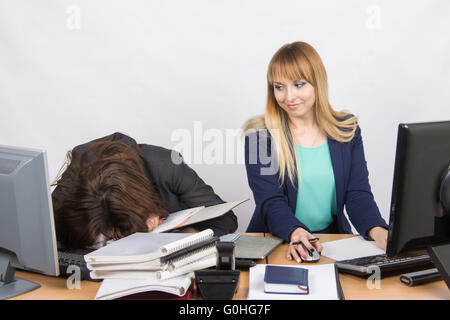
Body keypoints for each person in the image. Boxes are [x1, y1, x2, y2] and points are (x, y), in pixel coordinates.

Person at [242, 41, 388, 264]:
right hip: (276, 242)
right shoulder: (259, 137)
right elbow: (270, 201)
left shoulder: (346, 130)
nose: (288, 96)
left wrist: (378, 230)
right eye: (279, 87)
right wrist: (296, 232)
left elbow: (358, 194)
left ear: (317, 84)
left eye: (299, 84)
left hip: (331, 241)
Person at [52, 132, 238, 250]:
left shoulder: (165, 165)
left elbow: (225, 219)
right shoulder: (73, 185)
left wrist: (184, 235)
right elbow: (53, 239)